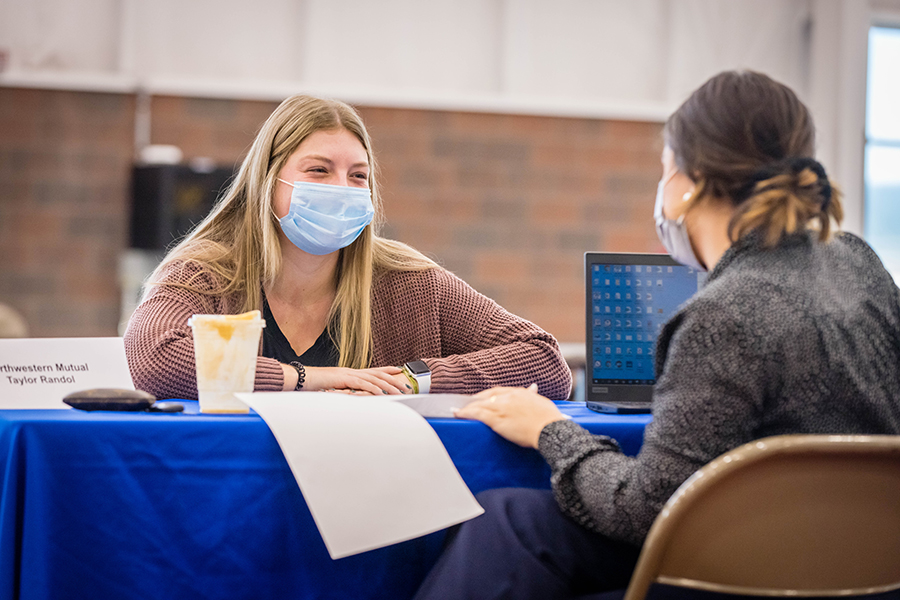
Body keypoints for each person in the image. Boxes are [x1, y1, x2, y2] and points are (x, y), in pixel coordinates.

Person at [414, 70, 900, 599]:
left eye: (665, 169)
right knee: (517, 523)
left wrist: (549, 429)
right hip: (867, 573)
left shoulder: (723, 316)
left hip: (752, 575)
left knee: (503, 525)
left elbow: (643, 511)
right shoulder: (858, 262)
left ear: (690, 182)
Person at [124, 95, 571, 401]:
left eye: (358, 176)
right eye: (319, 170)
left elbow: (545, 361)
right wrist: (312, 379)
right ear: (267, 183)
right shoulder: (206, 272)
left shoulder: (409, 283)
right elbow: (155, 360)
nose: (342, 188)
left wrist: (412, 380)